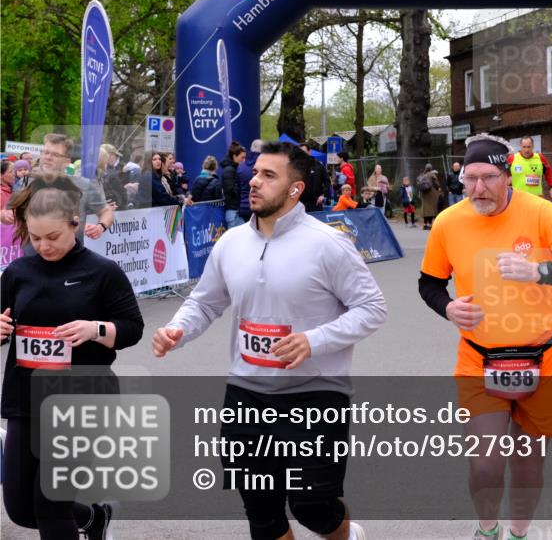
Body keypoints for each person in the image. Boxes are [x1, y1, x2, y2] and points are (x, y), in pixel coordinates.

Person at [152, 141, 385, 540]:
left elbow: (372, 308)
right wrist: (178, 329)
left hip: (315, 393)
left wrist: (314, 340)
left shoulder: (329, 244)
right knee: (262, 512)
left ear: (295, 190)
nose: (255, 182)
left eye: (268, 176)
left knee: (313, 508)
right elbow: (205, 302)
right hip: (246, 392)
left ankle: (348, 534)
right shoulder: (231, 243)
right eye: (256, 172)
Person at [418, 134, 552, 540]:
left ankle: (520, 533)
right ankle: (488, 531)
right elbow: (429, 283)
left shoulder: (541, 214)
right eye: (469, 179)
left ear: (508, 175)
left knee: (528, 463)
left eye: (488, 177)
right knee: (486, 463)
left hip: (546, 356)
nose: (478, 189)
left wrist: (539, 271)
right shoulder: (448, 222)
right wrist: (448, 308)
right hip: (479, 356)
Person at [1, 172, 143, 540]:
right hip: (25, 399)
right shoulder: (17, 272)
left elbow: (132, 328)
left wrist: (95, 329)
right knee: (20, 510)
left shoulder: (102, 272)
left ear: (75, 225)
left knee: (50, 504)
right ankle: (94, 519)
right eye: (35, 238)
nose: (44, 246)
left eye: (53, 237)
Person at [507, 136, 552, 202]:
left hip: (537, 198)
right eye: (524, 147)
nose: (526, 150)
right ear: (520, 146)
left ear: (533, 146)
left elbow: (549, 172)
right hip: (518, 198)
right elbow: (503, 173)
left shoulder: (540, 157)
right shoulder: (512, 158)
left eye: (528, 147)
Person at [298, 143, 331, 212]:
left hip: (315, 203)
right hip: (299, 204)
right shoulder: (296, 167)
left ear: (309, 152)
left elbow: (327, 182)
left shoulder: (318, 165)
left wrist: (323, 195)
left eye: (303, 151)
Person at [222, 141, 246, 229]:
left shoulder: (233, 169)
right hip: (233, 210)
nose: (244, 160)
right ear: (234, 156)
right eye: (242, 157)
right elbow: (230, 189)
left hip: (234, 210)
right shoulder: (230, 170)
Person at [238, 139, 263, 222]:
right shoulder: (264, 165)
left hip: (243, 207)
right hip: (260, 206)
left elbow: (237, 188)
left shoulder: (241, 166)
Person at [97, 144, 128, 210]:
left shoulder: (123, 166)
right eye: (110, 155)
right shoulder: (106, 172)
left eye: (113, 155)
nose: (113, 158)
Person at [416, 163, 441, 230]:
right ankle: (429, 225)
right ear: (431, 168)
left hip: (424, 194)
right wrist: (438, 187)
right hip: (431, 194)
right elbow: (436, 184)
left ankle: (425, 224)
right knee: (431, 210)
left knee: (425, 210)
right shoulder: (432, 174)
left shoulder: (423, 175)